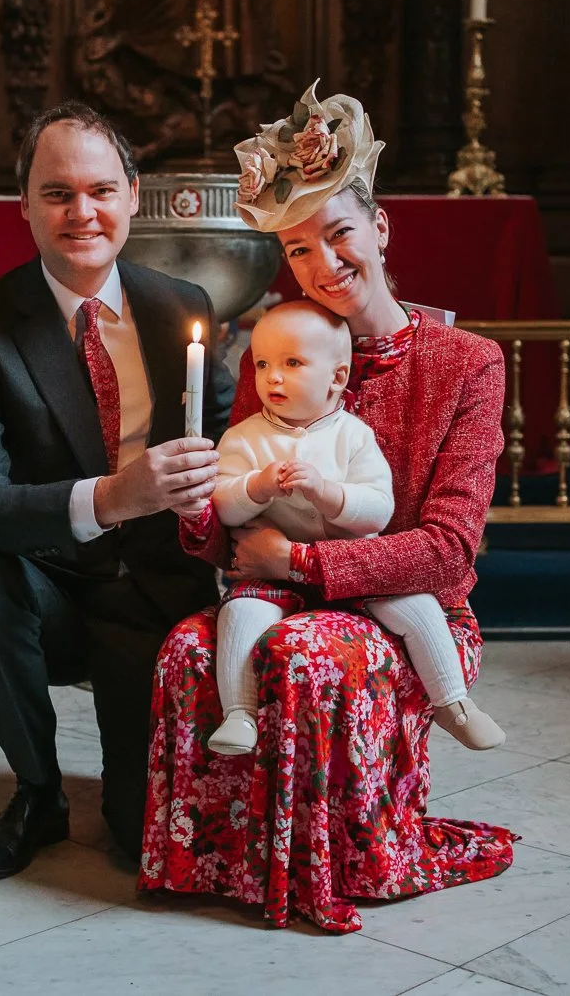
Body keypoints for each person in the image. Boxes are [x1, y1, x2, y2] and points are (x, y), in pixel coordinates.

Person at [139, 81, 517, 932]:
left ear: (380, 228)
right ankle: (218, 860)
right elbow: (225, 536)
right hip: (275, 592)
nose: (324, 265)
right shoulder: (281, 351)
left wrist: (304, 563)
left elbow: (450, 550)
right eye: (301, 250)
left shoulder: (466, 364)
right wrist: (205, 505)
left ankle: (326, 862)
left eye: (340, 234)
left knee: (312, 653)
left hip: (410, 609)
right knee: (189, 647)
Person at [0, 101, 235, 880]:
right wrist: (110, 497)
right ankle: (37, 790)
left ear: (134, 194)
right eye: (58, 192)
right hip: (57, 587)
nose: (82, 212)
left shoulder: (183, 308)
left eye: (100, 190)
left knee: (140, 840)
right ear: (24, 205)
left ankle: (131, 777)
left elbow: (234, 437)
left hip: (166, 592)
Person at [201, 299, 506, 756]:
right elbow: (223, 505)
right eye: (263, 364)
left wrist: (329, 493)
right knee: (239, 616)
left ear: (337, 378)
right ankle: (239, 714)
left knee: (416, 608)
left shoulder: (353, 434)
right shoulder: (244, 437)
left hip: (358, 568)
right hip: (270, 572)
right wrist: (256, 487)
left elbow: (378, 509)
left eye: (292, 363)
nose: (273, 377)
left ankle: (453, 703)